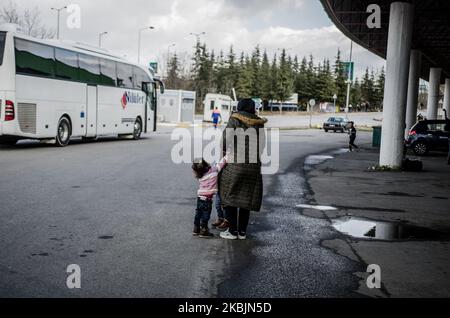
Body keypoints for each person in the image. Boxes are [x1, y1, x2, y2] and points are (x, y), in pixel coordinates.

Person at [219, 99, 267, 240]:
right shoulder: (259, 124)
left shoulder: (235, 119)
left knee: (228, 195)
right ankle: (242, 232)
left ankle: (232, 231)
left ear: (239, 107)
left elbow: (224, 140)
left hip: (235, 164)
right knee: (246, 198)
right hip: (253, 166)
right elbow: (262, 145)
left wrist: (224, 154)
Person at [192, 157, 227, 238]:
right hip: (207, 199)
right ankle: (204, 230)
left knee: (198, 213)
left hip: (200, 197)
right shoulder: (214, 171)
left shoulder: (200, 175)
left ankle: (196, 229)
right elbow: (221, 164)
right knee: (206, 215)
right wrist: (226, 157)